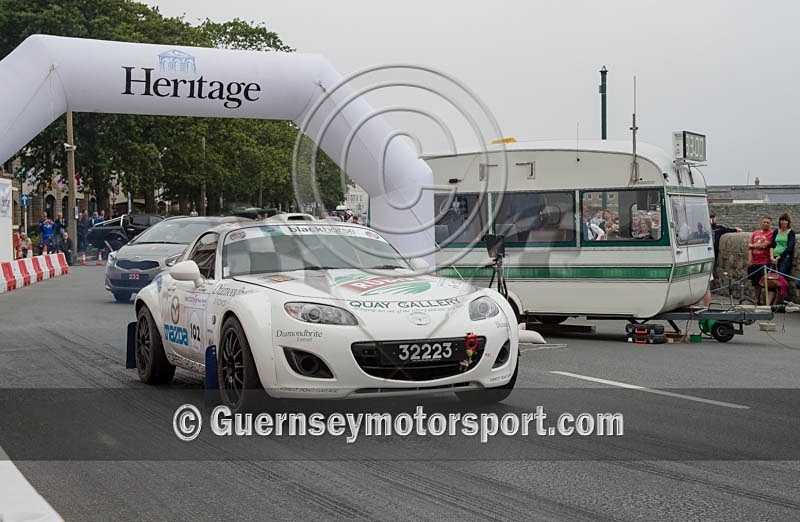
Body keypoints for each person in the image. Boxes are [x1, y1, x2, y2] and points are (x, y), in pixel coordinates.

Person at [747, 216, 774, 305]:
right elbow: (749, 248)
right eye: (764, 222)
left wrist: (752, 245)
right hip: (755, 262)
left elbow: (764, 246)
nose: (765, 224)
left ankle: (768, 302)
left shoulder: (771, 234)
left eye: (767, 223)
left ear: (770, 224)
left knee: (767, 283)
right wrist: (750, 259)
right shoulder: (755, 233)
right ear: (761, 223)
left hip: (765, 262)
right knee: (756, 283)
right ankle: (756, 300)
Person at [769, 212, 795, 291]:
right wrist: (772, 257)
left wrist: (780, 256)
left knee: (780, 279)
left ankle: (779, 300)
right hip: (775, 258)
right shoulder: (776, 232)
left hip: (785, 258)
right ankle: (770, 302)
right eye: (782, 220)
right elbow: (772, 245)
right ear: (779, 221)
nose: (784, 222)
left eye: (786, 220)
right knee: (772, 279)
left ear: (788, 222)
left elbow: (789, 247)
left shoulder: (791, 232)